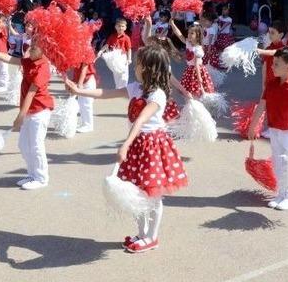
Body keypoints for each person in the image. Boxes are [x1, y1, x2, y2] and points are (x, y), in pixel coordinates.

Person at [66, 45, 188, 253]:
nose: (135, 67)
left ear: (149, 69)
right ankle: (141, 233)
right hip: (137, 146)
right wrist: (80, 91)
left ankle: (152, 237)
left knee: (152, 194)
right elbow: (107, 92)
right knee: (135, 192)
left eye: (139, 64)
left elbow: (140, 121)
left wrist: (125, 144)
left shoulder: (158, 95)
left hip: (151, 148)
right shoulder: (136, 88)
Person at [0, 40, 54, 190]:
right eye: (31, 45)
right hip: (29, 111)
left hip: (39, 111)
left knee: (36, 146)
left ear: (44, 49)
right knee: (23, 145)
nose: (31, 48)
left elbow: (31, 93)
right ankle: (32, 173)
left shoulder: (43, 66)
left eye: (35, 46)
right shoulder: (30, 61)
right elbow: (11, 59)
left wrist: (20, 116)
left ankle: (41, 178)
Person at [246, 48, 288, 210]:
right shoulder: (272, 84)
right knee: (278, 161)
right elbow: (262, 105)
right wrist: (253, 126)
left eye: (276, 64)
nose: (272, 67)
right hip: (275, 130)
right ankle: (281, 193)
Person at [169, 19, 215, 98]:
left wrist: (199, 77)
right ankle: (194, 99)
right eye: (188, 33)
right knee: (190, 88)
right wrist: (172, 24)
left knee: (198, 87)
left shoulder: (198, 49)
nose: (189, 35)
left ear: (197, 35)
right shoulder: (188, 43)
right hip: (190, 69)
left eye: (192, 33)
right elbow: (179, 34)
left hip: (197, 70)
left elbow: (197, 64)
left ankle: (200, 99)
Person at [99, 19, 132, 89]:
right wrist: (101, 51)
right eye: (119, 26)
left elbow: (129, 49)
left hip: (123, 58)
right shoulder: (112, 36)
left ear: (125, 27)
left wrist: (129, 59)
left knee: (124, 74)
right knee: (116, 74)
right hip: (114, 58)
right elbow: (107, 45)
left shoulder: (126, 38)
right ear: (115, 27)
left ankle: (124, 89)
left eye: (122, 26)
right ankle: (118, 89)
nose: (120, 28)